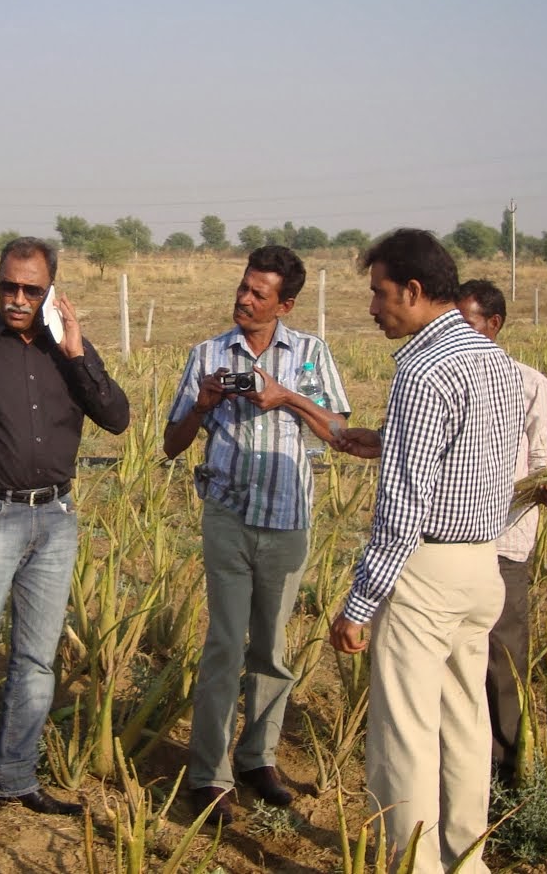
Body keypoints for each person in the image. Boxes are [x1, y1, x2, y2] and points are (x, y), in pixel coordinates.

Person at [0, 236, 130, 834]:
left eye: (31, 290)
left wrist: (79, 350)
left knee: (36, 662)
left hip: (55, 520)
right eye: (8, 285)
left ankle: (15, 776)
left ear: (51, 291)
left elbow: (116, 416)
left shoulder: (70, 352)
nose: (16, 298)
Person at [329, 230, 523, 874]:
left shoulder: (422, 366)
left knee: (406, 735)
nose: (373, 307)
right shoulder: (493, 359)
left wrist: (360, 602)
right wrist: (389, 437)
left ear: (413, 292)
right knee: (464, 724)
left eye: (380, 294)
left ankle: (414, 867)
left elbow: (405, 504)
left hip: (428, 570)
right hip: (483, 566)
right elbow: (471, 454)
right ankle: (468, 862)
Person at [161, 245, 350, 825]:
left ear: (285, 304)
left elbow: (339, 430)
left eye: (258, 294)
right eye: (243, 288)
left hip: (288, 520)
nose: (244, 299)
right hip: (227, 518)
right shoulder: (209, 353)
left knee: (271, 648)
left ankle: (257, 758)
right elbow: (171, 444)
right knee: (223, 645)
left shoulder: (312, 354)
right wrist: (203, 403)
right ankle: (209, 774)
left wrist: (285, 396)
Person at [455, 279, 547, 787]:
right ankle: (458, 759)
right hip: (454, 537)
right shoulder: (448, 378)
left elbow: (540, 454)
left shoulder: (528, 382)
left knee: (504, 654)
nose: (456, 331)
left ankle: (507, 770)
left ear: (493, 325)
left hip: (505, 538)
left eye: (467, 321)